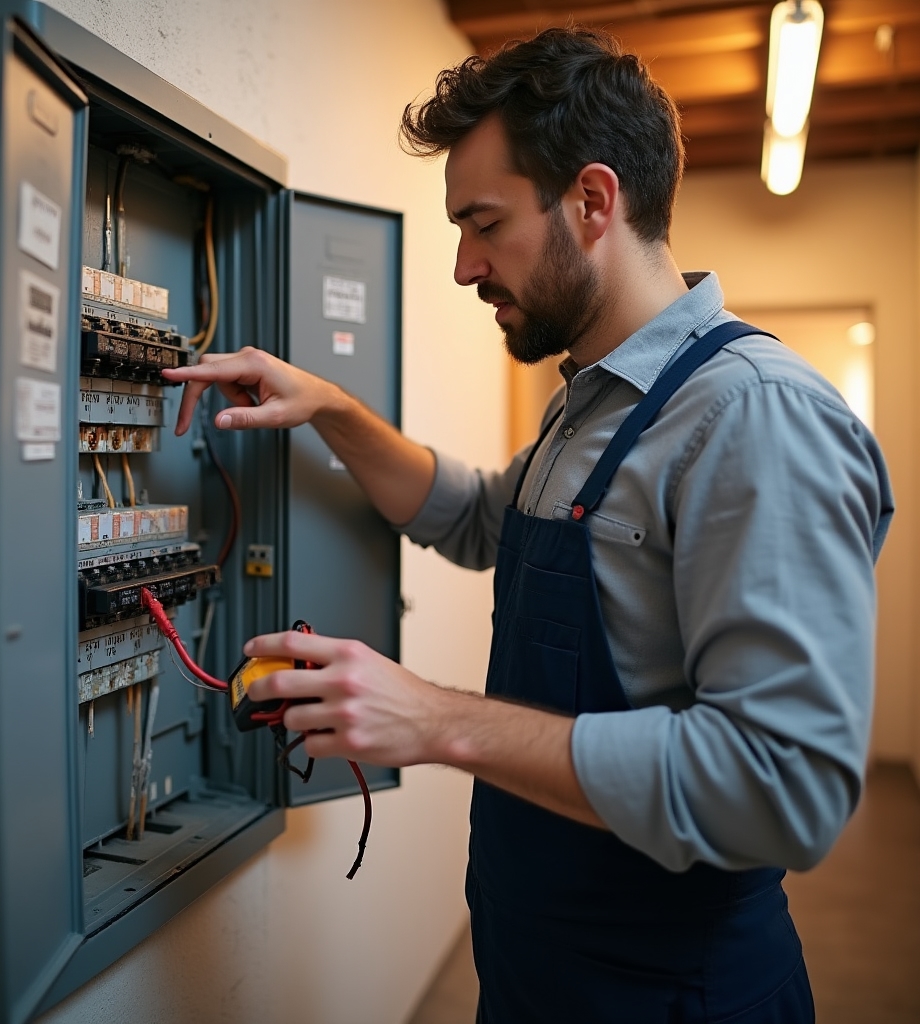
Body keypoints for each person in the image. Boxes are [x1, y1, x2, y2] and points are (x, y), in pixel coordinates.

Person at [165, 27, 893, 1024]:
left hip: (677, 993)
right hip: (535, 969)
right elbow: (472, 517)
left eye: (484, 223)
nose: (466, 266)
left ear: (593, 202)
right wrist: (330, 406)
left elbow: (783, 786)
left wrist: (437, 718)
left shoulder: (752, 416)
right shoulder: (586, 403)